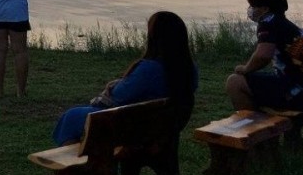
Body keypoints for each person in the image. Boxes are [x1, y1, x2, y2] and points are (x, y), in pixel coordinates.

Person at [51, 10, 198, 145]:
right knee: (79, 114)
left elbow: (119, 96)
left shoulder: (149, 69)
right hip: (161, 129)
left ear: (154, 37)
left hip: (133, 129)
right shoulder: (189, 69)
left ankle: (77, 164)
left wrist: (113, 86)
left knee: (71, 117)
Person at [226, 0, 303, 113]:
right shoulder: (284, 24)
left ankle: (252, 124)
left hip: (300, 90)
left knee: (235, 82)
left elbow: (263, 56)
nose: (250, 9)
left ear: (265, 9)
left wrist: (245, 69)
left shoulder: (267, 22)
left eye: (253, 6)